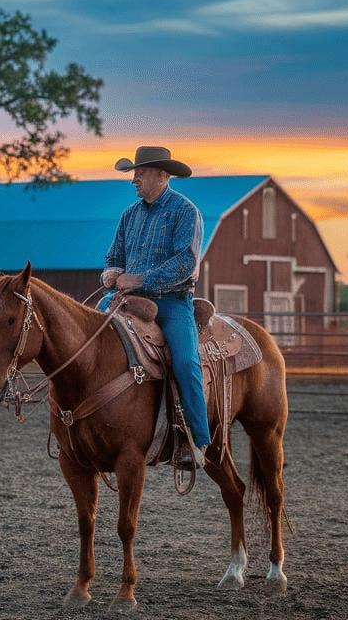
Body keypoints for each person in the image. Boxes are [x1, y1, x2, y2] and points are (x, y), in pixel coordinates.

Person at [98, 146, 208, 469]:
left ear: (162, 175)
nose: (134, 180)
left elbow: (186, 263)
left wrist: (140, 279)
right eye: (134, 173)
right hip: (127, 302)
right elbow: (112, 258)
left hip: (172, 303)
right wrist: (110, 274)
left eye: (141, 173)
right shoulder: (128, 216)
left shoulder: (185, 212)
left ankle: (197, 441)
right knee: (89, 337)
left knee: (186, 362)